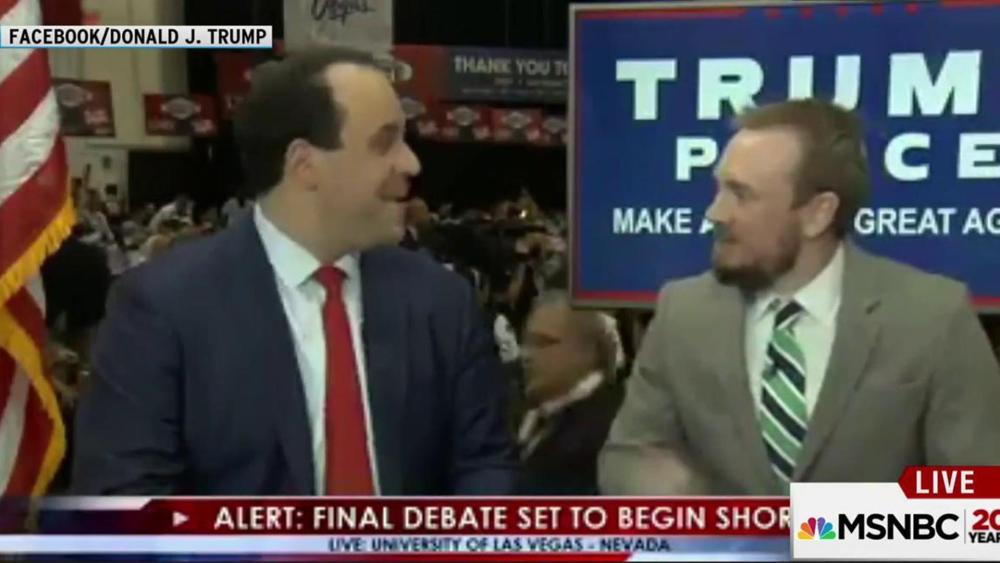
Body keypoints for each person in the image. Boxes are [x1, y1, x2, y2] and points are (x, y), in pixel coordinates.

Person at [73, 47, 517, 496]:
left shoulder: (442, 301)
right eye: (385, 143)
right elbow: (126, 502)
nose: (411, 164)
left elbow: (484, 466)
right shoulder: (162, 308)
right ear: (305, 164)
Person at [600, 99, 1000, 496]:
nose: (715, 212)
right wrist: (656, 484)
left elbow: (979, 497)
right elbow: (627, 455)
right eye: (719, 188)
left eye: (741, 194)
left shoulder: (933, 317)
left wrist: (823, 526)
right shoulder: (682, 312)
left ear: (818, 214)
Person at [515, 292, 623, 495]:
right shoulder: (517, 408)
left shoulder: (609, 432)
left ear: (588, 350)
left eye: (543, 343)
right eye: (526, 342)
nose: (525, 354)